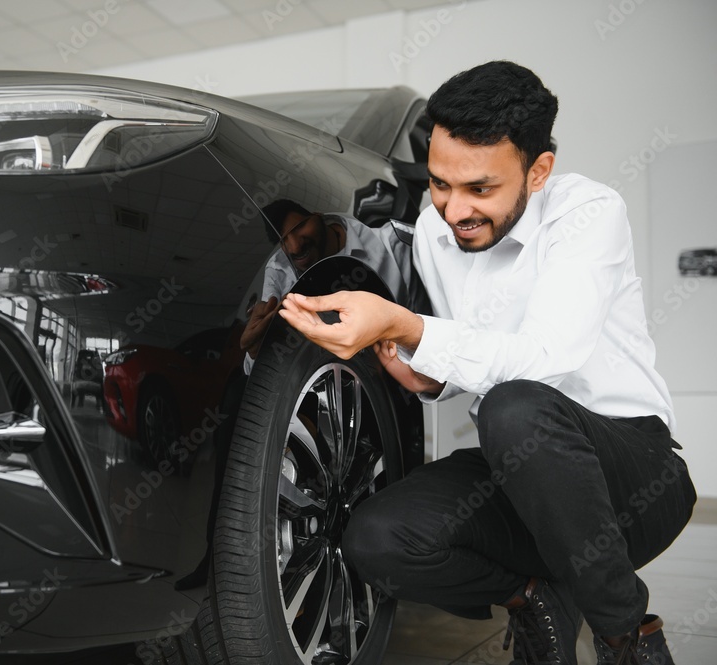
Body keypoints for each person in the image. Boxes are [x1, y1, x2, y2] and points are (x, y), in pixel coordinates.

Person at [278, 61, 696, 665]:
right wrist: (428, 378)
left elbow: (543, 360)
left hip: (635, 479)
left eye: (480, 189)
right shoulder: (434, 231)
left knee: (514, 408)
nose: (454, 210)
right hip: (519, 473)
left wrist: (405, 324)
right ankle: (535, 599)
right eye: (440, 184)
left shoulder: (588, 212)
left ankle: (626, 638)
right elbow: (473, 354)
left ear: (538, 171)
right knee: (375, 538)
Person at [240, 198, 428, 364]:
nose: (295, 247)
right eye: (283, 240)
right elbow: (264, 368)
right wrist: (255, 352)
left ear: (318, 214)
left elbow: (431, 325)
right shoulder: (280, 270)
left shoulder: (392, 242)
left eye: (299, 227)